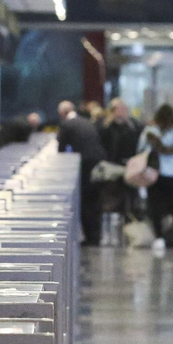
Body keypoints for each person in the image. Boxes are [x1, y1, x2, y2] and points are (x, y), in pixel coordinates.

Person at [139, 104, 173, 257]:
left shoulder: (150, 132)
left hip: (153, 174)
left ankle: (159, 238)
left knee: (154, 206)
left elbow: (141, 150)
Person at [57, 100, 109, 246]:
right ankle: (95, 236)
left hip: (86, 164)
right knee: (95, 199)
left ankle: (91, 238)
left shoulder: (67, 125)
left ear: (62, 113)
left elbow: (60, 151)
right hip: (99, 162)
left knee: (86, 200)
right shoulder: (85, 122)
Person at [100, 98, 144, 163]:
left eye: (123, 108)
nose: (120, 111)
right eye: (116, 109)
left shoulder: (135, 126)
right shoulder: (106, 126)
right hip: (111, 162)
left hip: (130, 161)